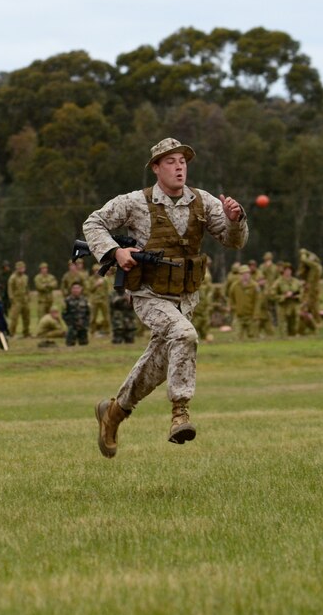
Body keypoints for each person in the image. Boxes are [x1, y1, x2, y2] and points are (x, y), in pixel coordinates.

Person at [83, 138, 247, 458]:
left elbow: (233, 242)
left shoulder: (203, 202)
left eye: (183, 161)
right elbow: (94, 222)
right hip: (148, 294)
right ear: (156, 168)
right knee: (184, 334)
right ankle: (180, 413)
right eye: (170, 161)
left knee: (158, 363)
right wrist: (115, 252)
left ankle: (114, 413)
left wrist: (235, 220)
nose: (179, 166)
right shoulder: (135, 202)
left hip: (186, 299)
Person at [228, 266, 259, 339]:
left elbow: (258, 301)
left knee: (253, 338)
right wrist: (233, 307)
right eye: (242, 274)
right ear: (239, 275)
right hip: (239, 316)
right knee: (236, 337)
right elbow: (231, 298)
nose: (245, 276)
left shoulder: (254, 286)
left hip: (251, 316)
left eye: (247, 273)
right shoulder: (234, 286)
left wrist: (256, 314)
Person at [271, 263, 302, 337]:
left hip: (294, 306)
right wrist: (283, 296)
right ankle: (283, 340)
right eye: (286, 270)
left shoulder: (296, 282)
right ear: (283, 271)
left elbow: (302, 293)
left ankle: (293, 339)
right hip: (283, 306)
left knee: (294, 325)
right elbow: (272, 294)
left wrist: (296, 296)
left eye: (289, 270)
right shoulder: (278, 282)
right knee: (283, 326)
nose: (288, 272)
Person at [6, 261, 31, 338]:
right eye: (20, 268)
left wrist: (28, 297)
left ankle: (26, 333)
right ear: (17, 268)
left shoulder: (25, 277)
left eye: (23, 268)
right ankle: (11, 333)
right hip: (17, 300)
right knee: (14, 318)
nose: (22, 269)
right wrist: (12, 299)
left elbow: (27, 288)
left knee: (27, 317)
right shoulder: (13, 278)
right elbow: (10, 290)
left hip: (25, 300)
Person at [63, 282, 91, 346]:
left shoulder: (85, 300)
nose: (76, 290)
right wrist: (70, 324)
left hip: (83, 327)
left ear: (81, 289)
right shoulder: (67, 300)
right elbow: (64, 314)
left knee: (84, 345)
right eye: (74, 288)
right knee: (70, 345)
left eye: (78, 288)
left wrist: (86, 323)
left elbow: (88, 313)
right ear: (71, 290)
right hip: (72, 327)